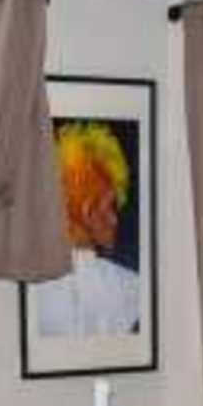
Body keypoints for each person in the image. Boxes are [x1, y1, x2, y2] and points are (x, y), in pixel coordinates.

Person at [28, 119, 144, 340]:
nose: (115, 220)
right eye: (110, 206)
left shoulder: (27, 288)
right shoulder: (130, 287)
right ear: (88, 211)